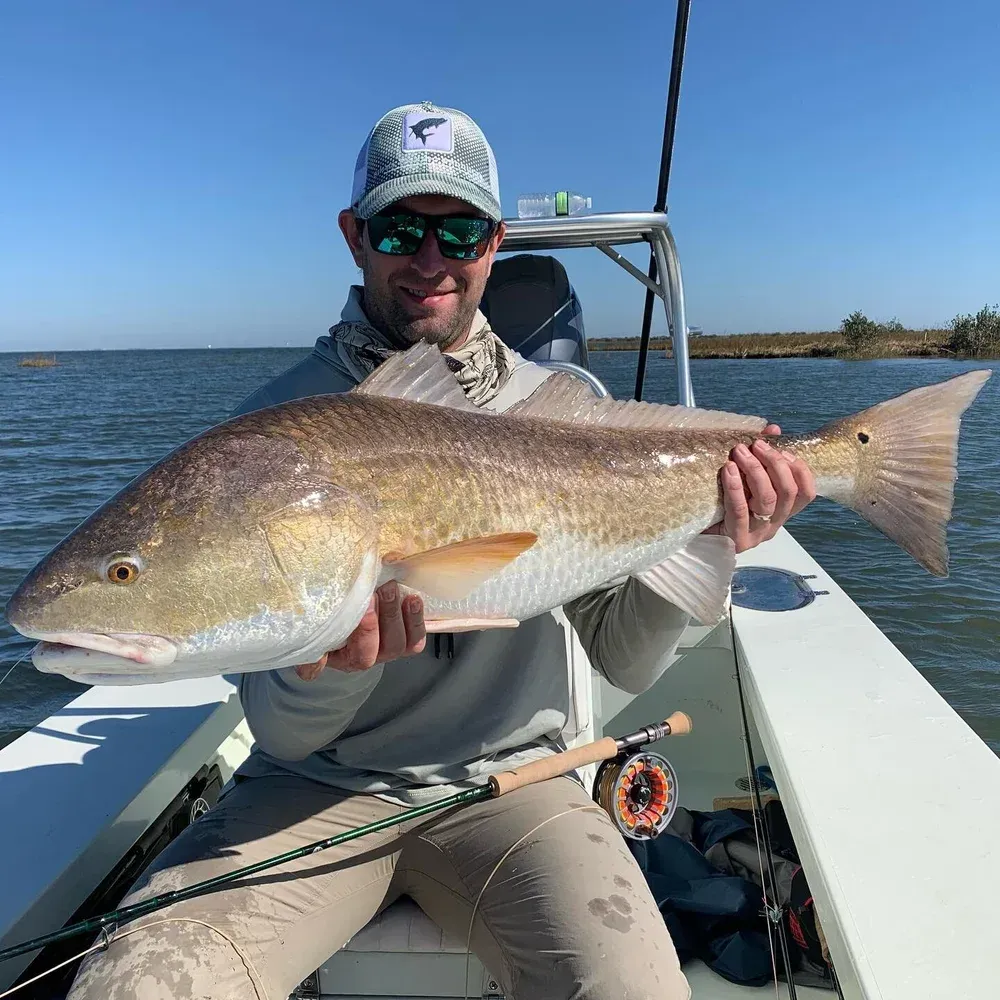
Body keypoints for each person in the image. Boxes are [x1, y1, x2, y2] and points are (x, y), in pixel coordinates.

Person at [67, 102, 816, 1000]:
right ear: (355, 236)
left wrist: (707, 535)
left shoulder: (562, 408)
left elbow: (621, 653)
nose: (431, 258)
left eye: (459, 229)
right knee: (134, 989)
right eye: (400, 227)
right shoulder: (266, 438)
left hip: (519, 786)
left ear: (493, 242)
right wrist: (328, 669)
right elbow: (280, 729)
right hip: (310, 791)